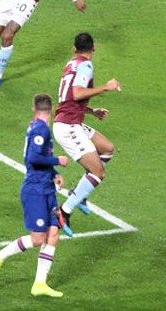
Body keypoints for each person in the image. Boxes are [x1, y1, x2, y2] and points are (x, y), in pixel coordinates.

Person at [0, 93, 68, 298]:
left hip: (47, 188)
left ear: (33, 109)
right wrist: (58, 161)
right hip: (35, 190)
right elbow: (33, 158)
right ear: (52, 110)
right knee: (38, 238)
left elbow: (40, 156)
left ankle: (40, 283)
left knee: (53, 234)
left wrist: (54, 174)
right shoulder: (41, 129)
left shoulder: (36, 126)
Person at [53, 32, 122, 237]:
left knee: (107, 149)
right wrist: (106, 87)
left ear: (74, 49)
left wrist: (92, 111)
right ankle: (64, 211)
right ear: (94, 48)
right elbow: (77, 93)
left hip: (73, 121)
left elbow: (68, 98)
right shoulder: (85, 65)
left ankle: (80, 193)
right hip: (68, 126)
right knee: (98, 173)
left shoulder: (71, 63)